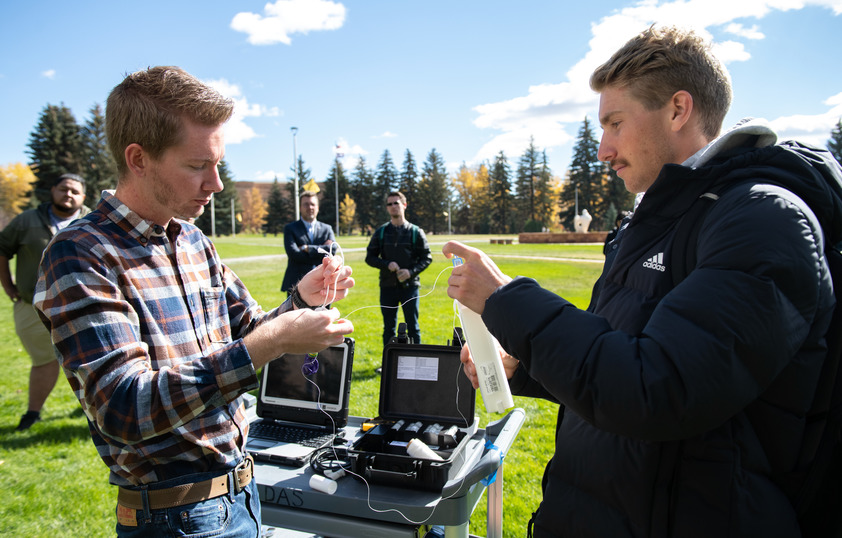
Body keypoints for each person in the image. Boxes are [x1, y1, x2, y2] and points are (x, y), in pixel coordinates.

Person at [444, 26, 841, 538]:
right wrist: (524, 369)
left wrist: (505, 300)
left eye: (615, 123)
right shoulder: (655, 220)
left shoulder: (762, 220)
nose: (603, 149)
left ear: (678, 109)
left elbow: (657, 389)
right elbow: (620, 356)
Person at [33, 66, 354, 538]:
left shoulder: (192, 240)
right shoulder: (81, 253)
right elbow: (125, 407)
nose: (217, 183)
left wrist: (301, 300)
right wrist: (268, 344)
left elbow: (250, 332)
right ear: (138, 159)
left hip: (243, 493)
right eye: (197, 165)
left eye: (218, 163)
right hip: (175, 518)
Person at [0, 173, 89, 431]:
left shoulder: (93, 220)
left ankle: (98, 410)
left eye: (75, 191)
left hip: (84, 305)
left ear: (83, 197)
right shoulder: (27, 220)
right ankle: (32, 413)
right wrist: (8, 285)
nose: (68, 194)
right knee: (44, 360)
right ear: (52, 191)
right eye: (63, 189)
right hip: (33, 306)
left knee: (92, 359)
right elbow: (2, 248)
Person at [365, 191, 432, 346]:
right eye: (390, 204)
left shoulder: (416, 232)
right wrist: (386, 264)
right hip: (387, 287)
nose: (393, 206)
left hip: (410, 287)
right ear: (387, 208)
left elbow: (426, 258)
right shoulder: (381, 232)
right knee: (389, 328)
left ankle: (416, 362)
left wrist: (410, 272)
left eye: (396, 203)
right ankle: (388, 364)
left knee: (413, 327)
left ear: (404, 205)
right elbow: (370, 257)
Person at [281, 190, 335, 295]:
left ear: (317, 207)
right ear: (300, 207)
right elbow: (294, 254)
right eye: (306, 204)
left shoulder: (327, 229)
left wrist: (307, 248)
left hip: (323, 284)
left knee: (323, 312)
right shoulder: (290, 229)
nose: (310, 207)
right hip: (297, 284)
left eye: (313, 204)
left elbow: (332, 250)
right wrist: (321, 251)